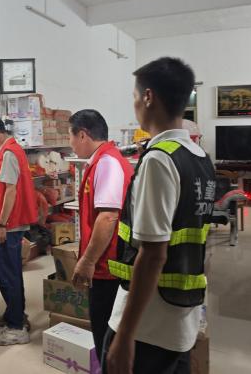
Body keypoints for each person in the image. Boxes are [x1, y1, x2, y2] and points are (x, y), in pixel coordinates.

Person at [104, 58, 216, 374]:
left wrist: (125, 336)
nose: (135, 104)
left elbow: (153, 255)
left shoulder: (159, 160)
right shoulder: (199, 157)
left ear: (149, 97)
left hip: (147, 327)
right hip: (181, 316)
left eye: (135, 96)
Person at [68, 109, 134, 362]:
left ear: (82, 135)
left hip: (109, 267)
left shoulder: (107, 163)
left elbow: (108, 217)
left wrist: (88, 260)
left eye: (71, 136)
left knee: (106, 336)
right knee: (106, 333)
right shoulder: (103, 160)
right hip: (107, 264)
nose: (71, 143)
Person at [0, 115, 38, 346]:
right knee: (12, 273)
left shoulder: (8, 154)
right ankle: (16, 314)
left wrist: (2, 224)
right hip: (13, 222)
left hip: (10, 225)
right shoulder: (12, 149)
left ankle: (16, 328)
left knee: (6, 275)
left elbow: (11, 191)